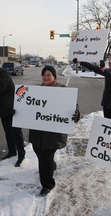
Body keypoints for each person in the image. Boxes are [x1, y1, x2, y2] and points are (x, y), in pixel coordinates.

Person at [29, 65, 80, 196]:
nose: (46, 77)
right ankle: (51, 165)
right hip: (38, 131)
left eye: (49, 75)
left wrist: (76, 114)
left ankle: (47, 185)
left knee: (45, 156)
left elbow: (74, 106)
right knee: (38, 151)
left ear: (54, 76)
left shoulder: (62, 89)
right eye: (44, 75)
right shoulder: (36, 90)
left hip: (53, 133)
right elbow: (26, 105)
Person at [73, 55, 111, 119]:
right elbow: (94, 68)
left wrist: (104, 70)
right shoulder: (108, 71)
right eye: (110, 63)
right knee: (107, 124)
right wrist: (80, 62)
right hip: (106, 105)